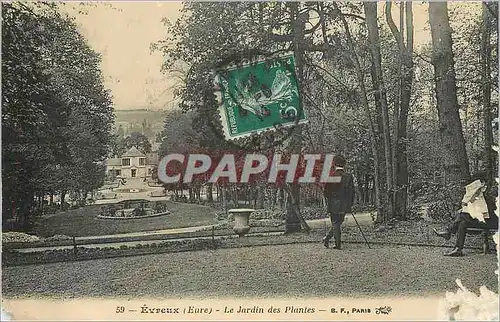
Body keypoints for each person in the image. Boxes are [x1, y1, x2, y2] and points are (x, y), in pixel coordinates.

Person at [433, 173, 498, 257]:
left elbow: (489, 214)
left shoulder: (488, 197)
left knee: (462, 215)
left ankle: (448, 232)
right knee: (462, 223)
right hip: (479, 221)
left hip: (490, 222)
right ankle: (458, 249)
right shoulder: (476, 198)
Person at [322, 155, 355, 250]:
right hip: (344, 203)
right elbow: (352, 192)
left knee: (335, 222)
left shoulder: (331, 176)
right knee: (338, 222)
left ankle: (335, 243)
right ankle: (329, 239)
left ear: (334, 164)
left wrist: (329, 200)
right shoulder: (348, 176)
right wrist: (350, 203)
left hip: (333, 203)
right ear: (344, 165)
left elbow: (326, 192)